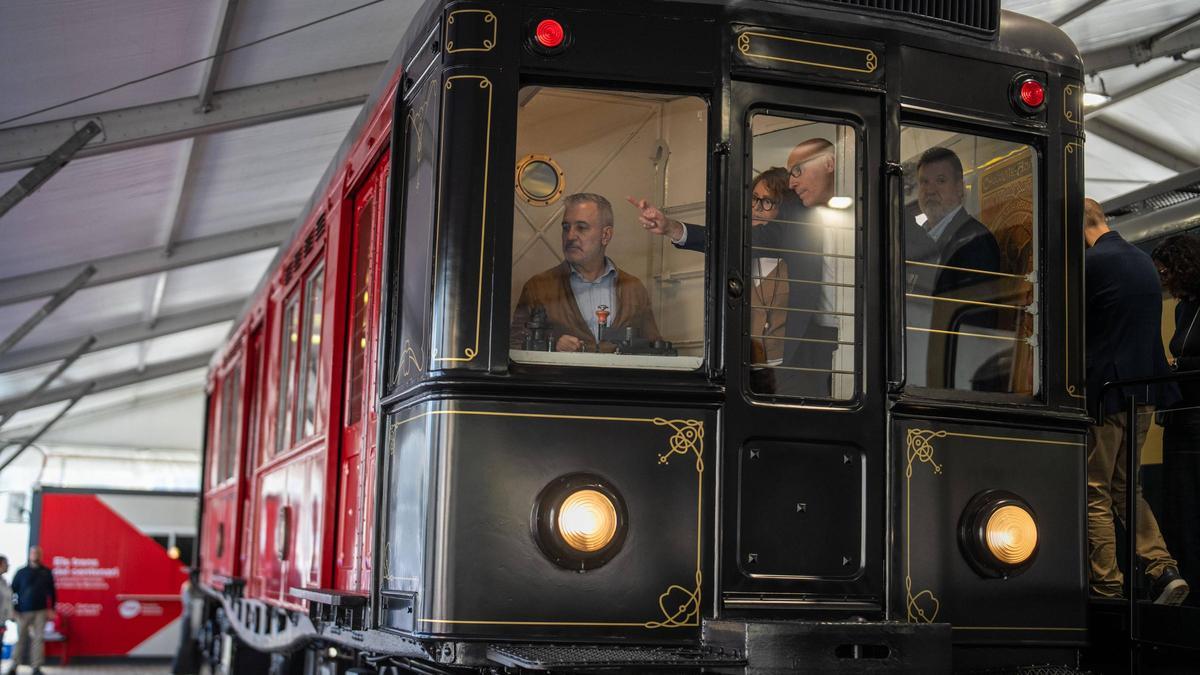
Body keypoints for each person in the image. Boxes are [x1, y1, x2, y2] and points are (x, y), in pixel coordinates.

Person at [629, 138, 841, 397]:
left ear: (830, 163)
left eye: (797, 171)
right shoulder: (793, 223)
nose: (793, 181)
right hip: (786, 359)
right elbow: (736, 241)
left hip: (852, 345)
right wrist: (673, 228)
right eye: (754, 200)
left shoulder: (870, 210)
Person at [1083, 198, 1187, 605]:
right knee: (1128, 489)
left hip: (1107, 393)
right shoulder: (1142, 260)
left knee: (1095, 490)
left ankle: (1107, 587)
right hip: (1144, 395)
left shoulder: (1093, 265)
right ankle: (1163, 571)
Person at [510, 193, 662, 352]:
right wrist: (553, 347)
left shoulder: (633, 288)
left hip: (617, 377)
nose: (570, 236)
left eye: (581, 227)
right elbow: (514, 348)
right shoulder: (538, 287)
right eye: (566, 227)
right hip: (561, 377)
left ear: (605, 235)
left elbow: (654, 349)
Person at [906, 146, 1003, 389]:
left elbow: (975, 321)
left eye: (940, 181)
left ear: (960, 188)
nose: (930, 190)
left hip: (954, 374)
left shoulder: (974, 240)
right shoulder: (921, 241)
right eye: (924, 182)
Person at [1151, 234, 1200, 605]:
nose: (1163, 279)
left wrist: (1177, 366)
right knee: (1179, 509)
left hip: (1195, 417)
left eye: (1166, 271)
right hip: (1181, 417)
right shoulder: (1184, 308)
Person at [9, 546, 56, 675]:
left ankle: (36, 667)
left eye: (38, 553)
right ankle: (14, 665)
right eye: (33, 552)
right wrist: (12, 609)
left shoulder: (46, 572)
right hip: (22, 612)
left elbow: (52, 592)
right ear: (30, 555)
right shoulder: (21, 572)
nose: (35, 555)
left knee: (38, 639)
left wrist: (52, 609)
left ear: (41, 555)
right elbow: (11, 591)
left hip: (41, 611)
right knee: (21, 639)